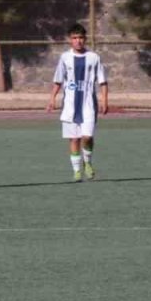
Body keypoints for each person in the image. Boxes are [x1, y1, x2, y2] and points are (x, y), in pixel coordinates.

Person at [46, 23, 108, 182]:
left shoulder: (94, 57)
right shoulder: (65, 58)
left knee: (87, 137)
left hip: (88, 106)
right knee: (74, 139)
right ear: (70, 40)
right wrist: (52, 98)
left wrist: (104, 100)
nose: (78, 41)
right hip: (70, 106)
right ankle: (76, 171)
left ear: (85, 39)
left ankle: (87, 162)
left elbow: (102, 81)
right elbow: (58, 80)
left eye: (80, 37)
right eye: (74, 38)